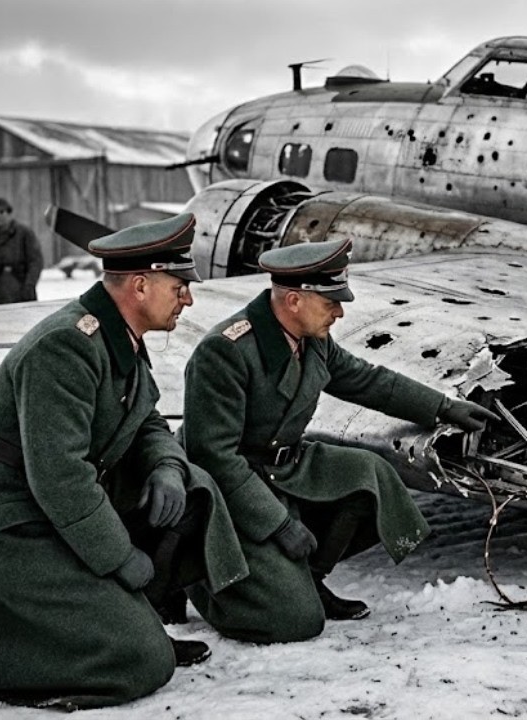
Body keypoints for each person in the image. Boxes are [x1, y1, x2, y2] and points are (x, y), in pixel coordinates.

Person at [0, 213, 250, 710]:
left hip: (56, 509)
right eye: (179, 285)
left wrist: (168, 467)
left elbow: (146, 422)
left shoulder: (116, 334)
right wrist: (122, 559)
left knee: (195, 488)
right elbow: (60, 477)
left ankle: (125, 620)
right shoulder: (64, 347)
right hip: (8, 526)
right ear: (142, 286)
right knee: (141, 665)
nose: (188, 298)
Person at [181, 238, 498, 642]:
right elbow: (214, 459)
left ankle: (309, 578)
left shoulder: (310, 339)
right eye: (330, 301)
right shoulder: (225, 351)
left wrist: (444, 407)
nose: (340, 311)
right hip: (234, 490)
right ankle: (201, 581)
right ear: (294, 300)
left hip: (285, 469)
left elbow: (367, 380)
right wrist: (279, 526)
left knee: (372, 476)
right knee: (296, 622)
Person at [0, 197, 44, 305]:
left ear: (9, 213)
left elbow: (36, 261)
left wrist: (29, 285)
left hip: (21, 285)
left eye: (1, 212)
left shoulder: (24, 233)